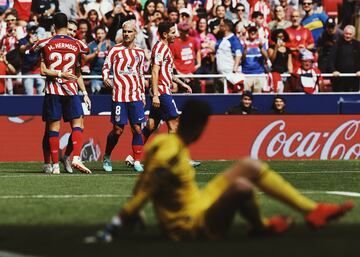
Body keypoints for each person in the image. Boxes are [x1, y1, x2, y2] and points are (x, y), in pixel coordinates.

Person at [90, 100, 353, 243]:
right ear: (200, 128)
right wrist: (113, 227)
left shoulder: (163, 142)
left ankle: (312, 211)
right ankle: (261, 226)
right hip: (189, 225)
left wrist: (136, 208)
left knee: (249, 165)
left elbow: (143, 182)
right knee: (242, 187)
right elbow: (145, 191)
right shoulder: (170, 156)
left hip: (199, 203)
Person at [124, 21, 194, 168]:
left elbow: (167, 72)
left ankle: (132, 156)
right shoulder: (161, 49)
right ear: (165, 34)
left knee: (151, 125)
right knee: (174, 123)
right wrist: (156, 94)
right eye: (173, 32)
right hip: (161, 91)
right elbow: (155, 71)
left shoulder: (165, 48)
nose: (175, 35)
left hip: (162, 90)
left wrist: (182, 84)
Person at [31, 12, 91, 174]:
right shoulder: (78, 44)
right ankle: (76, 157)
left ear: (54, 26)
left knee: (53, 128)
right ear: (67, 26)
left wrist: (58, 73)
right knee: (77, 124)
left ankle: (55, 165)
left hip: (53, 90)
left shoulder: (45, 42)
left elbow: (32, 53)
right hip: (71, 90)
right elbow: (83, 56)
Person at [101, 20, 147, 173]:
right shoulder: (115, 50)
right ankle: (107, 156)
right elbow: (106, 65)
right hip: (119, 96)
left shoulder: (140, 53)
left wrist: (143, 94)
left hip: (135, 96)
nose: (126, 34)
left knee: (137, 129)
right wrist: (106, 77)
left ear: (135, 33)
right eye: (124, 31)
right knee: (118, 130)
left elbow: (140, 74)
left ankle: (137, 161)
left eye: (129, 31)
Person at [328, 25, 360, 92]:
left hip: (354, 79)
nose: (348, 36)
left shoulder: (358, 45)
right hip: (339, 79)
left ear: (353, 35)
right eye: (346, 33)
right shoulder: (337, 44)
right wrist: (333, 70)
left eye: (350, 34)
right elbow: (331, 59)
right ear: (343, 33)